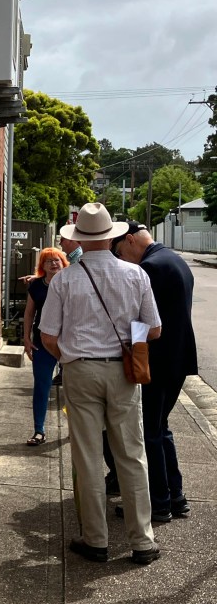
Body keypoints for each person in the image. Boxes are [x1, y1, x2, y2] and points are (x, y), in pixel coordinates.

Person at [39, 202, 162, 565]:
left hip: (80, 370)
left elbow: (48, 335)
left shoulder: (64, 278)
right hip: (124, 373)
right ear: (113, 236)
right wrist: (127, 344)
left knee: (88, 457)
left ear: (79, 239)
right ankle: (142, 541)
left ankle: (96, 540)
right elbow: (154, 329)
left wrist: (70, 356)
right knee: (131, 454)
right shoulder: (136, 275)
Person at [113, 220, 196, 522]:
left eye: (121, 251)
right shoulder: (174, 259)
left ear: (132, 240)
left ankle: (158, 502)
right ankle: (176, 496)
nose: (123, 258)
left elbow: (144, 322)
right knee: (161, 429)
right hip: (177, 360)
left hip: (157, 362)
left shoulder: (150, 267)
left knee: (148, 432)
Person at [22, 247, 69, 445]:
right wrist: (26, 338)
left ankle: (75, 428)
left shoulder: (70, 282)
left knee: (74, 388)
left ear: (63, 262)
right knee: (42, 385)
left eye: (57, 260)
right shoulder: (36, 286)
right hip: (42, 341)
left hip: (69, 341)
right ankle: (39, 431)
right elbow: (29, 313)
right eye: (48, 261)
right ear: (42, 265)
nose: (53, 263)